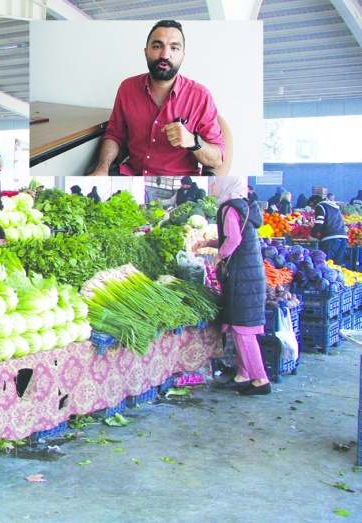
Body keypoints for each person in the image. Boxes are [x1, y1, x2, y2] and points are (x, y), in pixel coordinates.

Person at [88, 20, 224, 177]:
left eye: (174, 48)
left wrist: (192, 141)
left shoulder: (200, 97)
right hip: (132, 174)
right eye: (157, 46)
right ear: (146, 52)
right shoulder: (127, 88)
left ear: (182, 56)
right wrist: (102, 169)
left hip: (177, 183)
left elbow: (217, 158)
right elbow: (114, 135)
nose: (165, 55)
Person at [195, 177, 270, 395]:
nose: (213, 187)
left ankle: (260, 380)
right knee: (240, 328)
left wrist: (218, 257)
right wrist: (209, 243)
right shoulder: (244, 206)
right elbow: (234, 237)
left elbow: (233, 240)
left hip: (241, 276)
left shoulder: (229, 208)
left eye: (216, 183)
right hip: (249, 273)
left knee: (242, 329)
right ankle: (243, 375)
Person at [308, 194, 348, 264]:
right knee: (338, 264)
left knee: (327, 263)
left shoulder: (320, 206)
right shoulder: (334, 206)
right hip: (343, 237)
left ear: (314, 201)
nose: (313, 209)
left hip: (331, 238)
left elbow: (319, 222)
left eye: (312, 206)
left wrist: (312, 235)